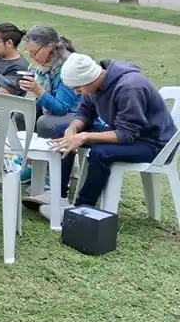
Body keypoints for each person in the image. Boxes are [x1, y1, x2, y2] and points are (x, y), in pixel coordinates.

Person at [48, 53, 176, 210]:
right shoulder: (93, 85)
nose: (76, 92)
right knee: (64, 134)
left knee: (101, 153)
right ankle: (58, 196)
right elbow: (85, 112)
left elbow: (127, 134)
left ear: (89, 79)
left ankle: (83, 207)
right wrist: (72, 129)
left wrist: (85, 136)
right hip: (126, 133)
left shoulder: (130, 87)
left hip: (154, 143)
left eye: (78, 88)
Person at [18, 25, 80, 137]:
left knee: (44, 122)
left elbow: (61, 109)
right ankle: (26, 150)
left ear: (49, 47)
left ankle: (47, 152)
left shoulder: (67, 67)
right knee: (21, 114)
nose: (32, 57)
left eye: (34, 52)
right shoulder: (45, 66)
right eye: (30, 53)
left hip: (78, 114)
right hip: (58, 111)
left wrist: (38, 91)